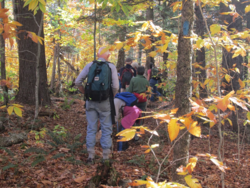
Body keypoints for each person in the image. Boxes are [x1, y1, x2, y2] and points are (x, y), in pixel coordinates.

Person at [75, 47, 119, 164]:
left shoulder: (90, 65)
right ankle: (105, 157)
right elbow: (115, 86)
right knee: (106, 128)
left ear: (98, 54)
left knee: (91, 128)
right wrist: (110, 95)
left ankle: (90, 156)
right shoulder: (111, 67)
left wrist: (85, 93)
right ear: (108, 56)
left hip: (90, 101)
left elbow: (77, 82)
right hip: (105, 102)